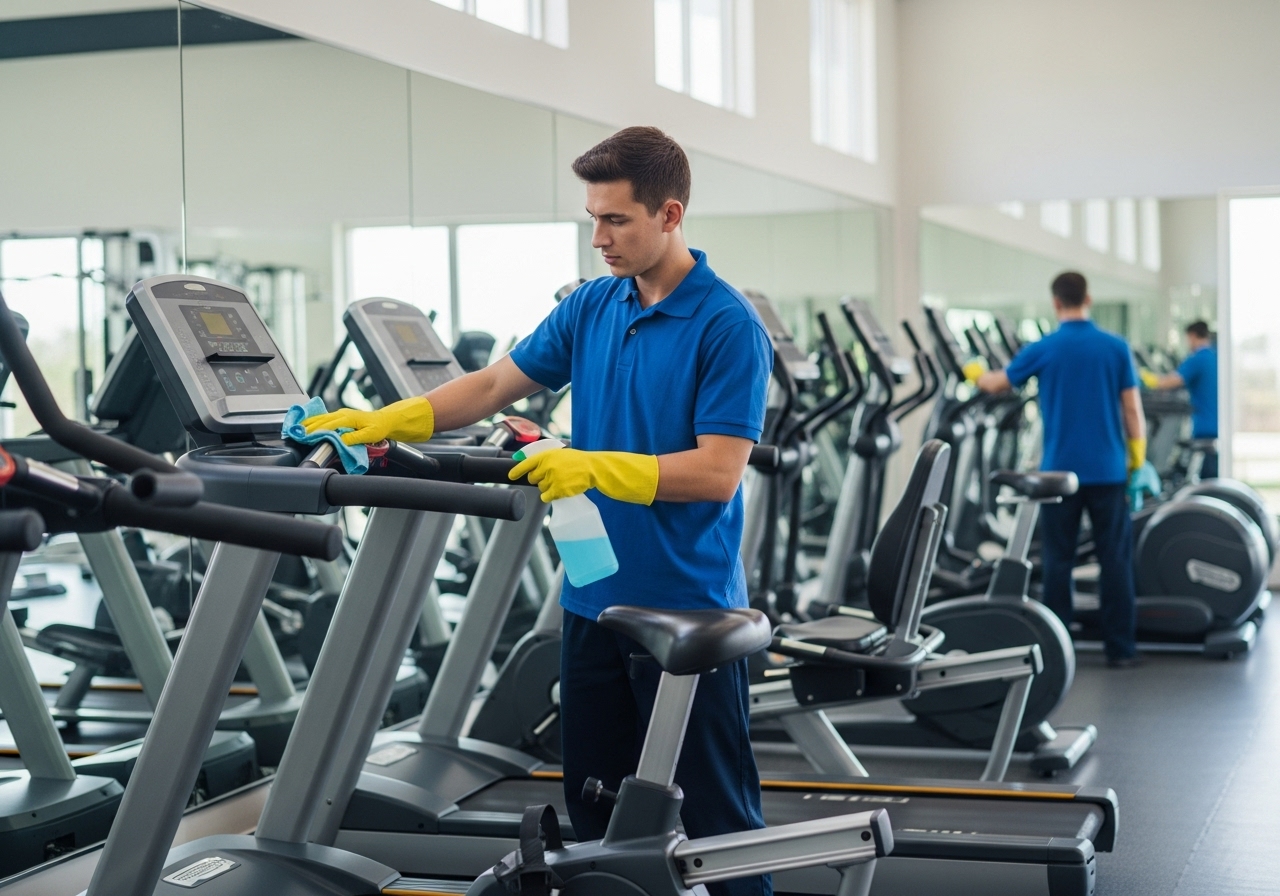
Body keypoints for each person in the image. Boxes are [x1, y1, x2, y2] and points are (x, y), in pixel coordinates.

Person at [304, 126, 774, 896]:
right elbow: (492, 387)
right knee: (595, 827)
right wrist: (388, 419)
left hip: (687, 608)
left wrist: (591, 464)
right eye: (592, 219)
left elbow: (718, 473)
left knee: (720, 833)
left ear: (669, 213)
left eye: (616, 220)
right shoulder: (593, 306)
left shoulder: (726, 325)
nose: (599, 238)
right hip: (592, 604)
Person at [965, 272, 1146, 668]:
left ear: (1056, 303)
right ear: (1089, 298)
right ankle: (1121, 650)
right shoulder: (1115, 347)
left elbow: (998, 384)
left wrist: (975, 374)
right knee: (1114, 560)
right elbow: (1132, 409)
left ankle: (1058, 649)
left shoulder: (1045, 347)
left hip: (1058, 476)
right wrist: (1137, 456)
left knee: (1059, 562)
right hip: (1109, 470)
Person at [1141, 321, 1219, 478]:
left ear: (1192, 336)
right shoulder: (1214, 356)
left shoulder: (1198, 358)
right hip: (1215, 424)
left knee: (1208, 475)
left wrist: (1141, 377)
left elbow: (1168, 382)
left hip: (1205, 427)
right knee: (1210, 472)